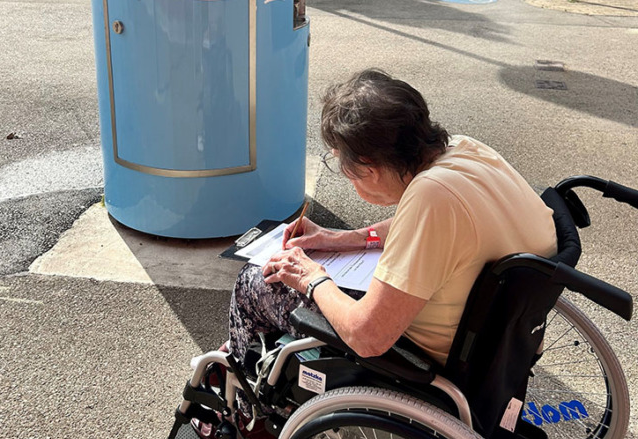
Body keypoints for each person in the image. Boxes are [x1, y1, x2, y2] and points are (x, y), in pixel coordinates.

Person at [228, 69, 557, 392]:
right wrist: (339, 239)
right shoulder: (464, 151)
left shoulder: (431, 198)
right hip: (502, 337)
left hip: (427, 358)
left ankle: (247, 405)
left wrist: (311, 277)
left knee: (255, 282)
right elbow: (420, 227)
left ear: (369, 168)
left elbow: (368, 337)